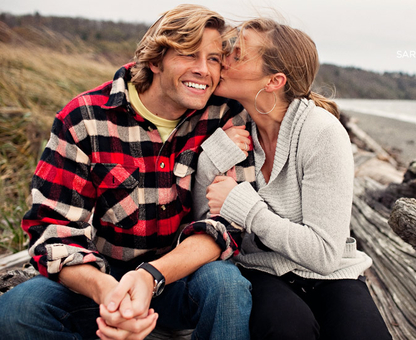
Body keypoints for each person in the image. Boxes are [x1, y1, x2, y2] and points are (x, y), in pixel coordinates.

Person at [0, 5, 252, 340]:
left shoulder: (225, 115)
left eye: (214, 59)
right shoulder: (85, 118)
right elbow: (53, 227)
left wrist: (152, 276)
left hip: (182, 275)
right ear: (155, 60)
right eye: (188, 54)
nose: (203, 70)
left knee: (228, 286)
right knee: (18, 310)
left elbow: (228, 223)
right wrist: (107, 292)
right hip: (103, 276)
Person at [191, 18, 392, 339]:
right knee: (286, 324)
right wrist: (210, 160)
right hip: (259, 268)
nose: (223, 60)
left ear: (274, 81)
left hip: (332, 273)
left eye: (237, 55)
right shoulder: (231, 126)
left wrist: (247, 209)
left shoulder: (322, 132)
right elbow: (202, 219)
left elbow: (325, 255)